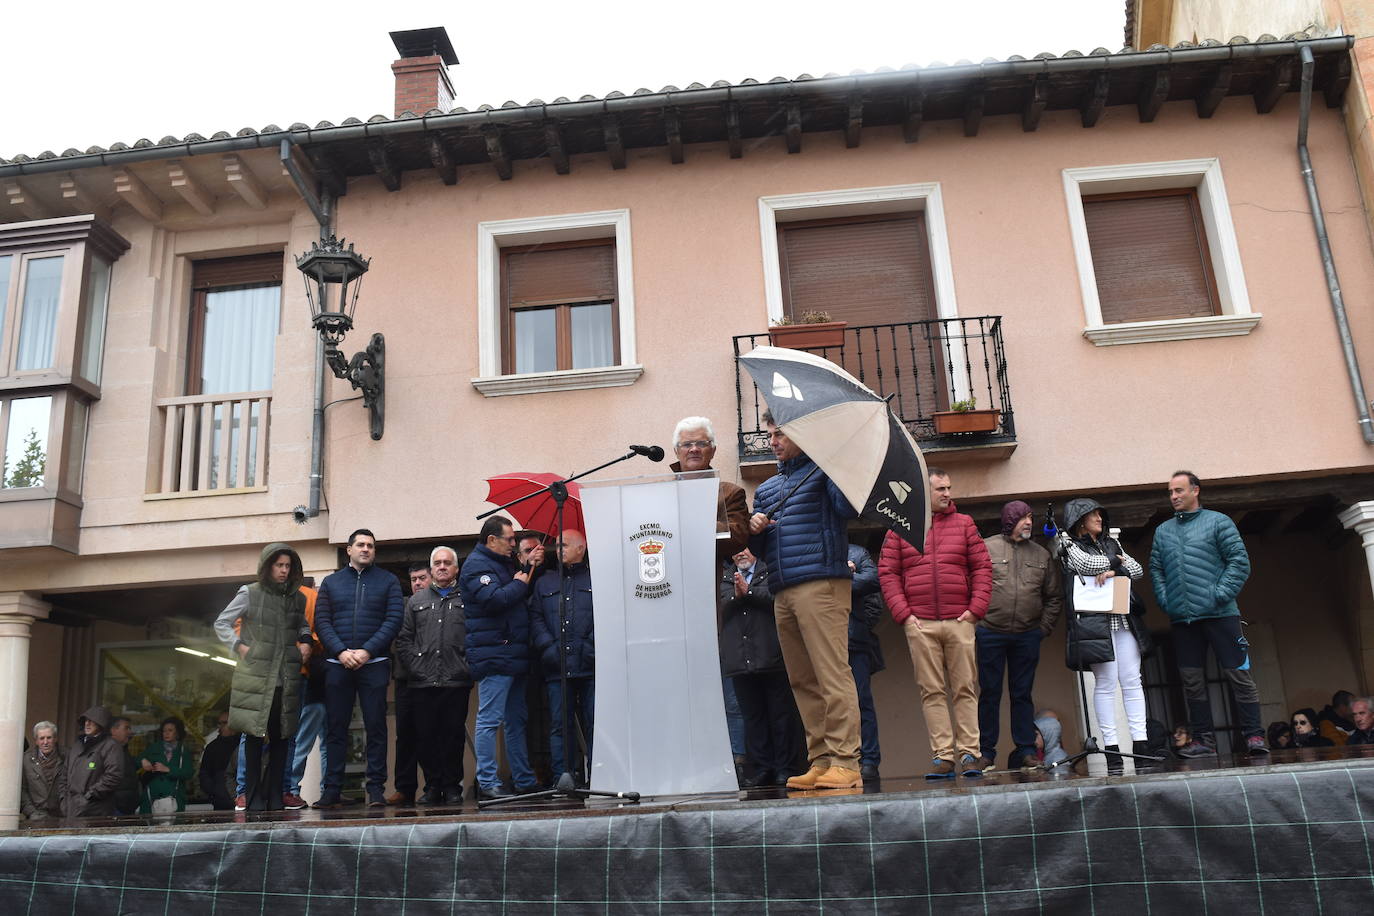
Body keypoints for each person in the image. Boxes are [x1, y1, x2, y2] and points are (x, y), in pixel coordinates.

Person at [749, 411, 862, 790]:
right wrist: (756, 530)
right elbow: (761, 551)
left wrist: (837, 464)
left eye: (780, 433)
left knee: (832, 675)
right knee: (802, 680)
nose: (773, 441)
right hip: (783, 588)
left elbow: (848, 509)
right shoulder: (765, 490)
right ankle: (821, 759)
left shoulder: (825, 472)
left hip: (822, 584)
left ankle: (846, 761)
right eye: (770, 434)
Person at [879, 467, 991, 780]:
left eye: (948, 488)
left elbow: (982, 568)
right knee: (932, 691)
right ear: (922, 492)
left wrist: (974, 611)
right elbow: (887, 573)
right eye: (940, 489)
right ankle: (943, 756)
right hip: (920, 624)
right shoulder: (899, 527)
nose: (947, 494)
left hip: (960, 621)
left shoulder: (965, 524)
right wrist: (905, 615)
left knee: (965, 688)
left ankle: (970, 753)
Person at [1149, 471, 1264, 756]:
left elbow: (1239, 562)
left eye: (1179, 490)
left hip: (1222, 615)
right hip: (1183, 620)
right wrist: (1167, 601)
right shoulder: (1163, 531)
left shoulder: (1218, 522)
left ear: (1195, 491)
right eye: (1170, 492)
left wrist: (1219, 594)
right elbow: (1156, 570)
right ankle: (1204, 741)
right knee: (1192, 682)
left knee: (1239, 676)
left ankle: (1255, 737)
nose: (1174, 496)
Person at [1057, 498, 1152, 773]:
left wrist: (1113, 569)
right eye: (1093, 514)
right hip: (1095, 626)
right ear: (1080, 520)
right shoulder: (1069, 544)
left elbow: (1137, 570)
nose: (1099, 518)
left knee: (1133, 680)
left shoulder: (1113, 542)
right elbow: (1084, 564)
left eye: (1100, 514)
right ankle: (1111, 747)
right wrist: (1114, 563)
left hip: (1123, 621)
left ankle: (1141, 743)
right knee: (1106, 683)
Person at [215, 542, 312, 811]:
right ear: (268, 566)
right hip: (256, 678)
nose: (283, 570)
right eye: (278, 565)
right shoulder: (249, 593)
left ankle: (276, 797)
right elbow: (222, 622)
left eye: (287, 566)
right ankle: (253, 796)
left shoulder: (298, 598)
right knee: (254, 739)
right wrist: (239, 647)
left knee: (282, 739)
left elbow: (302, 625)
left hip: (286, 680)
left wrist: (306, 642)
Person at [314, 528, 404, 807]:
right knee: (335, 729)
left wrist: (367, 651)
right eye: (361, 545)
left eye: (371, 546)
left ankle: (375, 789)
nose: (366, 549)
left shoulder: (388, 581)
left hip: (374, 663)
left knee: (376, 727)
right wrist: (341, 652)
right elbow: (322, 621)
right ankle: (332, 790)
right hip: (337, 664)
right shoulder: (330, 582)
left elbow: (393, 620)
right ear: (349, 549)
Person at [977, 500, 1063, 771]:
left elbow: (1053, 596)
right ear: (1009, 520)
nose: (1029, 522)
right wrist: (976, 623)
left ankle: (1026, 750)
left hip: (1027, 635)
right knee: (989, 693)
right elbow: (972, 587)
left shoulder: (1041, 554)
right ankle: (986, 753)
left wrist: (1042, 630)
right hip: (990, 632)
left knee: (1022, 694)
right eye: (1023, 518)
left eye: (1030, 517)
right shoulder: (986, 548)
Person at [461, 514, 539, 800]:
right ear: (491, 539)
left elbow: (512, 587)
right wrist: (520, 583)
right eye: (509, 539)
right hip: (495, 654)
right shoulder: (476, 566)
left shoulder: (502, 563)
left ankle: (523, 779)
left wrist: (528, 566)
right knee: (490, 720)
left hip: (512, 653)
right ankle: (488, 781)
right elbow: (495, 600)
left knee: (516, 719)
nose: (513, 544)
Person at [718, 547, 802, 788]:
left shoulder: (770, 570)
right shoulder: (726, 577)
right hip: (739, 662)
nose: (739, 554)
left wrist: (749, 592)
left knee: (781, 717)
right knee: (753, 718)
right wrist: (739, 594)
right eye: (734, 551)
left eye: (744, 548)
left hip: (772, 657)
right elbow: (724, 603)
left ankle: (785, 768)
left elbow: (778, 599)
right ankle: (763, 768)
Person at [393, 546, 471, 805]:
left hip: (455, 680)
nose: (442, 566)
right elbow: (403, 640)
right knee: (425, 737)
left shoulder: (468, 598)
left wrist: (466, 664)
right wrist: (417, 667)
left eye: (447, 562)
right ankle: (432, 786)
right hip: (422, 681)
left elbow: (475, 636)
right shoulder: (416, 601)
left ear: (456, 568)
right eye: (437, 562)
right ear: (431, 568)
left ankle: (451, 787)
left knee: (453, 737)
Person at [530, 530, 597, 784]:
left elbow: (606, 615)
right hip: (556, 666)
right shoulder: (545, 582)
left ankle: (597, 775)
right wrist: (548, 648)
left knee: (594, 724)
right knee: (560, 725)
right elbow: (535, 618)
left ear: (582, 548)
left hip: (590, 666)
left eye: (565, 545)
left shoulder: (596, 578)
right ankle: (564, 776)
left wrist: (590, 648)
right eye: (557, 545)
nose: (559, 550)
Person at [386, 562, 430, 806]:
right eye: (414, 579)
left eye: (422, 578)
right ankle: (404, 788)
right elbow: (400, 643)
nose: (418, 583)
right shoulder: (403, 606)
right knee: (405, 736)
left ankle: (435, 786)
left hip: (434, 680)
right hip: (406, 678)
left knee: (431, 735)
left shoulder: (441, 602)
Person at [282, 580, 324, 810]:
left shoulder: (301, 601)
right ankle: (292, 788)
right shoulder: (309, 601)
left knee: (305, 741)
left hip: (315, 683)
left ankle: (292, 788)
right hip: (313, 683)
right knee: (303, 741)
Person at [846, 543, 886, 780]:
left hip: (855, 642)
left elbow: (873, 585)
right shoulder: (813, 550)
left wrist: (858, 627)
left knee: (862, 702)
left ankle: (869, 759)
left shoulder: (857, 553)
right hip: (825, 641)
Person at [64, 706, 125, 818]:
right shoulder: (77, 745)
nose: (87, 724)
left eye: (92, 721)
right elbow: (64, 773)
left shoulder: (111, 746)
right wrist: (63, 800)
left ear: (101, 724)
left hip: (95, 811)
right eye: (86, 721)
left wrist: (88, 797)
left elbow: (113, 776)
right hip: (71, 808)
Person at [137, 716, 194, 814]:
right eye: (164, 731)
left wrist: (168, 769)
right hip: (152, 798)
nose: (166, 733)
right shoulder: (154, 747)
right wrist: (143, 761)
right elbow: (136, 759)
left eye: (170, 730)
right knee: (150, 827)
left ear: (177, 733)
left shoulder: (183, 751)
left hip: (174, 799)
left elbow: (188, 773)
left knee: (172, 827)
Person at [20, 721, 65, 821]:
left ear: (55, 739)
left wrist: (67, 810)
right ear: (36, 741)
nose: (45, 742)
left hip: (62, 816)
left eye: (49, 738)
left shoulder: (67, 757)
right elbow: (22, 790)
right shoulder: (26, 760)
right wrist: (32, 812)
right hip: (35, 816)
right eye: (41, 738)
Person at [198, 712, 238, 810]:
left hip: (242, 799)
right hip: (220, 802)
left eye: (224, 723)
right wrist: (215, 792)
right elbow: (204, 774)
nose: (220, 726)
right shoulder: (212, 747)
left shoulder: (243, 745)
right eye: (219, 723)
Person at [108, 716, 139, 815]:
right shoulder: (107, 750)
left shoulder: (124, 749)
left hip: (127, 806)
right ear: (113, 730)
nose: (129, 732)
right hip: (114, 808)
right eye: (126, 728)